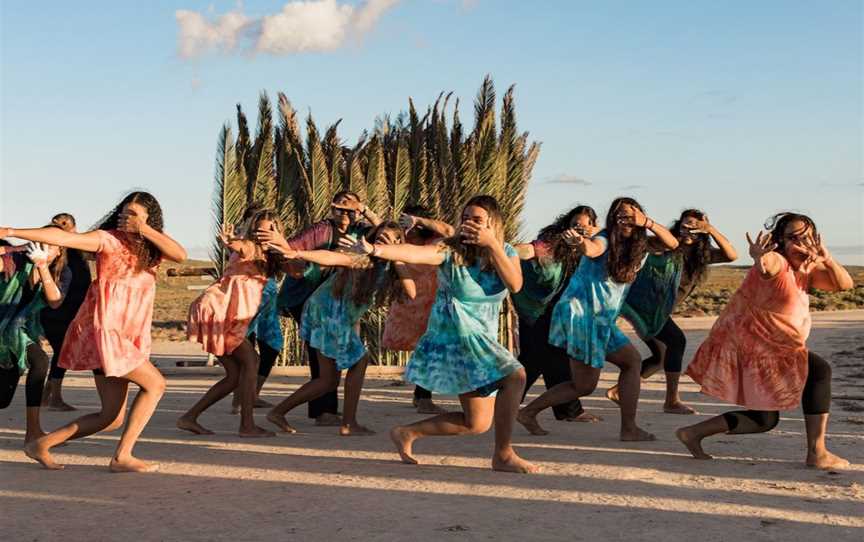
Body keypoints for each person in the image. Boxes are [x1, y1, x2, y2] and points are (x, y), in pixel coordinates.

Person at [351, 195, 537, 473]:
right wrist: (375, 250)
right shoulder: (451, 251)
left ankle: (407, 432)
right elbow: (414, 253)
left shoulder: (506, 251)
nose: (469, 224)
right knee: (516, 376)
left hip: (481, 338)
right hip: (456, 338)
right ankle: (503, 455)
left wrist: (492, 245)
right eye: (465, 218)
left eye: (477, 220)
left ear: (493, 224)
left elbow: (515, 284)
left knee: (476, 424)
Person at [3, 191, 187, 472]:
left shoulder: (151, 248)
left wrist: (144, 230)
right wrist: (11, 230)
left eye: (135, 214)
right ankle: (122, 456)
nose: (128, 218)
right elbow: (64, 238)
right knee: (155, 384)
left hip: (129, 331)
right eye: (125, 213)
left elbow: (181, 255)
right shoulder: (107, 239)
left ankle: (41, 444)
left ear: (150, 218)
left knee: (110, 417)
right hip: (107, 329)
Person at [676, 212, 853, 470]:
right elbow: (767, 266)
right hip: (763, 350)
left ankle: (692, 433)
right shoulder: (778, 262)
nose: (801, 244)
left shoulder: (807, 269)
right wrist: (760, 257)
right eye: (793, 238)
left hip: (776, 348)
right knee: (819, 371)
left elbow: (843, 285)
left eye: (807, 237)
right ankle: (817, 452)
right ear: (780, 240)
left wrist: (828, 259)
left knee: (764, 419)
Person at [517, 197, 678, 441]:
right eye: (619, 216)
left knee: (615, 370)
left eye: (629, 215)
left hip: (602, 319)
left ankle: (627, 428)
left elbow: (672, 243)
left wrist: (647, 223)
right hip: (582, 316)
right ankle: (529, 413)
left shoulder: (642, 245)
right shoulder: (604, 237)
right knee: (600, 377)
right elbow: (593, 249)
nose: (624, 220)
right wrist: (581, 243)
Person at [266, 222, 415, 436]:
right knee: (360, 361)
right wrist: (297, 252)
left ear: (399, 243)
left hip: (327, 314)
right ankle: (349, 423)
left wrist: (397, 257)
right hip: (328, 314)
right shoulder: (362, 258)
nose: (380, 243)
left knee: (327, 380)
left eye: (389, 240)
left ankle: (278, 412)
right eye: (378, 238)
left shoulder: (390, 268)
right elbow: (332, 257)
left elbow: (411, 292)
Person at [258, 190, 382, 427]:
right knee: (322, 357)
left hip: (335, 301)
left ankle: (322, 411)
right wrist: (288, 251)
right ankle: (324, 412)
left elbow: (388, 232)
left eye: (349, 210)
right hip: (305, 298)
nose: (343, 214)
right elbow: (290, 249)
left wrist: (365, 209)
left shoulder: (362, 231)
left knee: (328, 361)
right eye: (338, 209)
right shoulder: (321, 230)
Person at [610, 209, 737, 414]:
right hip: (645, 308)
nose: (689, 231)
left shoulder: (701, 255)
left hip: (659, 312)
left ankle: (618, 391)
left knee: (661, 357)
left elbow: (732, 255)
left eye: (695, 228)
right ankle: (671, 401)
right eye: (685, 225)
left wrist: (711, 229)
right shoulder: (666, 245)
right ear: (678, 225)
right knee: (677, 341)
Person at [179, 210, 283, 437]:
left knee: (234, 375)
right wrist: (229, 241)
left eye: (268, 230)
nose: (262, 234)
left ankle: (189, 417)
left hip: (223, 313)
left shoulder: (272, 254)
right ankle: (247, 426)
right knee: (252, 360)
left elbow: (298, 268)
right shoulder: (250, 247)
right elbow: (240, 246)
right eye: (258, 230)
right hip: (218, 312)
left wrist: (282, 246)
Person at [513, 204, 600, 423]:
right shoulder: (554, 240)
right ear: (567, 224)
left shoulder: (590, 247)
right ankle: (567, 411)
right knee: (541, 360)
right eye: (575, 225)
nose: (579, 229)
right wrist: (504, 251)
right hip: (537, 309)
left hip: (558, 311)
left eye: (585, 226)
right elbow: (532, 250)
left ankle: (565, 410)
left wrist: (592, 235)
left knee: (542, 360)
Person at [382, 205, 454, 414]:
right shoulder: (401, 241)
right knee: (427, 350)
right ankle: (423, 399)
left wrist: (419, 220)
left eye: (410, 223)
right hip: (411, 303)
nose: (408, 227)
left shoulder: (434, 243)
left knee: (428, 350)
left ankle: (421, 396)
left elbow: (449, 231)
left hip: (430, 304)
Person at [0, 235, 69, 443]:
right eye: (42, 242)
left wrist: (42, 266)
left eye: (52, 245)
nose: (46, 247)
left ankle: (34, 431)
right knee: (40, 362)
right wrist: (17, 249)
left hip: (20, 329)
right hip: (4, 327)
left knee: (2, 400)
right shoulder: (18, 260)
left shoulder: (63, 271)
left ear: (60, 251)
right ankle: (34, 432)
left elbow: (55, 301)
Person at [40, 213, 91, 411]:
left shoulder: (79, 248)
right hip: (58, 309)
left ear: (73, 225)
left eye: (64, 223)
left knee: (62, 352)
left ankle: (48, 394)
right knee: (62, 352)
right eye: (57, 224)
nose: (60, 227)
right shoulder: (55, 251)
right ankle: (54, 397)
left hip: (73, 309)